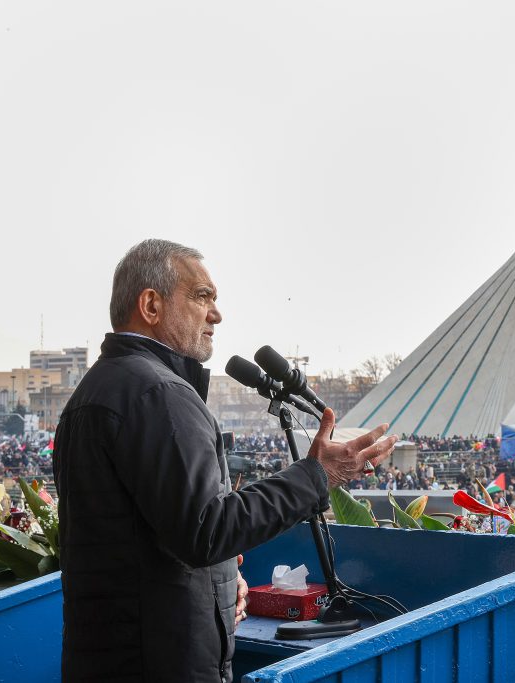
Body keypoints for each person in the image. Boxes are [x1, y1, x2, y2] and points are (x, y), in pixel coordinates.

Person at [53, 240, 397, 682]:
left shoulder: (97, 390)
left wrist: (218, 579)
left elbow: (146, 533)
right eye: (202, 297)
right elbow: (205, 530)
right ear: (151, 304)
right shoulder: (159, 394)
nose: (216, 314)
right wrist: (319, 474)